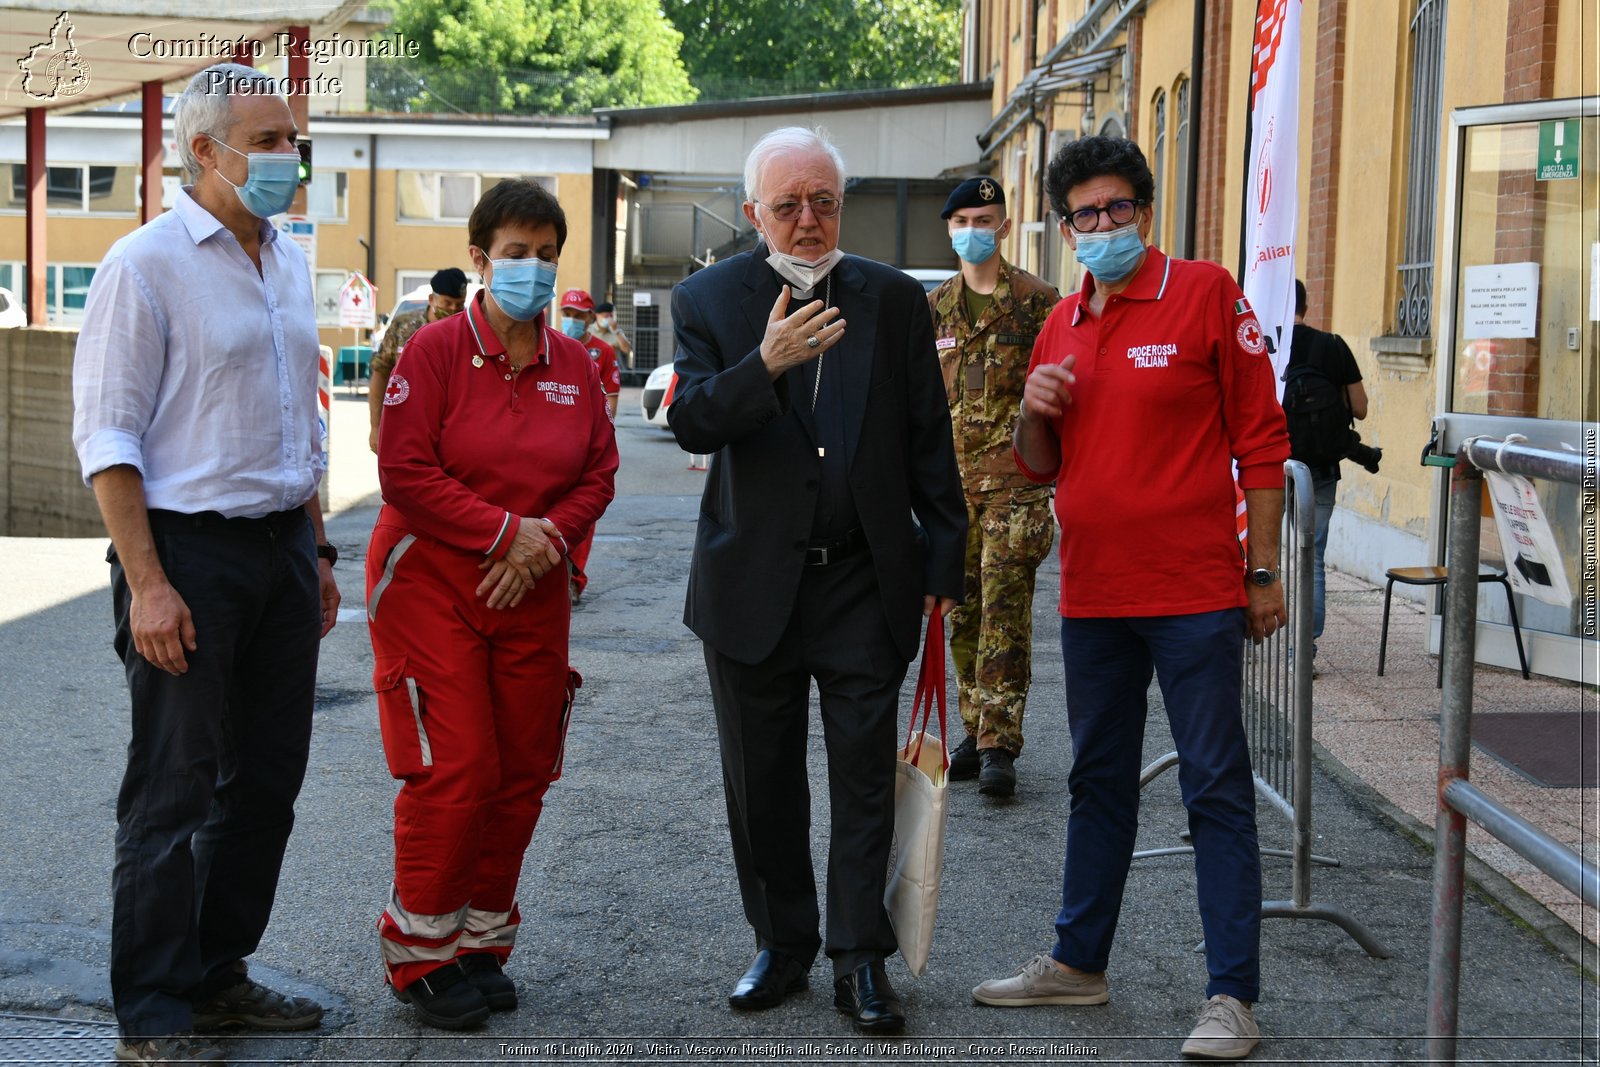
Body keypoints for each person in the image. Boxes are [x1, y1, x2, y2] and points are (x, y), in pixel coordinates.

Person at [972, 135, 1289, 1062]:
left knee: (1214, 786)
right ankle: (1079, 962)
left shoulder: (1203, 292)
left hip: (1194, 590)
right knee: (1095, 781)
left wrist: (1261, 569)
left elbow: (1261, 440)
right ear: (1065, 227)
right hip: (1095, 594)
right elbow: (1039, 464)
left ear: (1144, 212)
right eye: (1084, 215)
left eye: (1117, 209)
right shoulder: (1061, 321)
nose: (1101, 226)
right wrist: (1034, 406)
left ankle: (1231, 994)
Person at [668, 126, 966, 1035]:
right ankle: (783, 941)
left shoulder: (890, 300)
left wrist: (942, 564)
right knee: (761, 780)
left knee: (863, 777)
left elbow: (927, 439)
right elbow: (688, 420)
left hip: (863, 578)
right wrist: (766, 365)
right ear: (753, 211)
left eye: (824, 202)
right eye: (788, 205)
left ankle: (859, 955)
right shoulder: (708, 298)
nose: (808, 221)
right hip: (751, 581)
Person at [71, 63, 340, 1067]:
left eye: (291, 140)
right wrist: (147, 581)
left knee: (264, 781)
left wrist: (313, 543)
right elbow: (108, 439)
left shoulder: (288, 260)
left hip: (276, 549)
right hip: (184, 551)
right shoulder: (142, 265)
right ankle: (153, 1013)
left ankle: (216, 971)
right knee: (171, 791)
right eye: (268, 141)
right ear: (205, 150)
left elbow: (297, 420)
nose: (288, 159)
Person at [366, 179, 619, 1030]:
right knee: (457, 763)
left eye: (547, 256)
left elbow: (599, 473)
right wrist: (506, 532)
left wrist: (538, 544)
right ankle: (420, 952)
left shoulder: (576, 366)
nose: (534, 270)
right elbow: (405, 471)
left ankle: (478, 938)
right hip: (431, 580)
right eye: (516, 254)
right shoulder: (433, 352)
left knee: (523, 766)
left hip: (530, 582)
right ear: (480, 260)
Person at [927, 176, 1060, 799]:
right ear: (949, 230)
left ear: (1004, 227)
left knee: (1005, 617)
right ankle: (974, 723)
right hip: (951, 494)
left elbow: (1063, 395)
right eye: (962, 222)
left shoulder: (1039, 303)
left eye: (985, 220)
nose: (973, 231)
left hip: (1016, 488)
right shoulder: (934, 309)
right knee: (961, 613)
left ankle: (998, 743)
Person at [1285, 279, 1371, 669]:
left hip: (1271, 466)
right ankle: (1304, 652)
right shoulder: (1333, 346)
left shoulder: (1264, 343)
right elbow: (1361, 408)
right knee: (1312, 557)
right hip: (1319, 468)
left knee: (1253, 550)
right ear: (1306, 303)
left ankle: (1239, 642)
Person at [555, 289, 622, 604]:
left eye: (577, 315)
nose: (571, 320)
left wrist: (603, 438)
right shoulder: (550, 346)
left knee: (582, 514)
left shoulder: (602, 352)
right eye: (566, 314)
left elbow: (611, 396)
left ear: (589, 317)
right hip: (552, 444)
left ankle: (573, 577)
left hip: (586, 446)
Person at [369, 268, 469, 453]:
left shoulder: (468, 332)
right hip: (407, 424)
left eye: (459, 304)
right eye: (447, 303)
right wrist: (376, 427)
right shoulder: (403, 325)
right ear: (432, 299)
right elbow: (381, 371)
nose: (453, 310)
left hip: (451, 429)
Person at [591, 300, 634, 370]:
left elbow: (626, 349)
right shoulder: (589, 330)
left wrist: (616, 331)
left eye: (611, 316)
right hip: (594, 369)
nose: (609, 319)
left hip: (612, 369)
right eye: (606, 316)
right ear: (597, 315)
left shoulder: (617, 332)